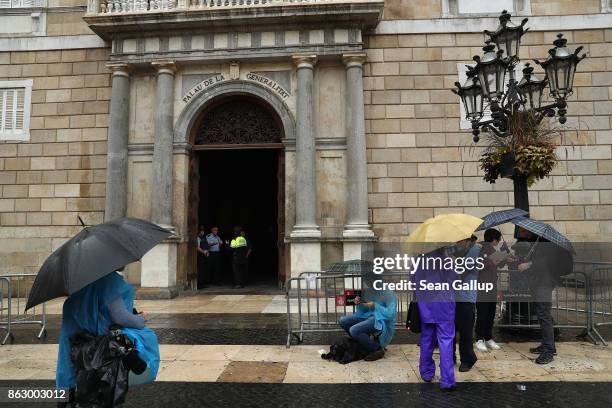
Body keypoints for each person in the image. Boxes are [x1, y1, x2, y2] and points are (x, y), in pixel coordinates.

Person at [57, 271, 160, 405]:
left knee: (81, 390)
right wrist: (140, 319)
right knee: (105, 394)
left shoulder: (78, 287)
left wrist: (63, 392)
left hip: (78, 356)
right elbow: (119, 316)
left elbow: (65, 352)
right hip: (104, 356)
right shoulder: (109, 280)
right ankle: (131, 357)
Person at [516, 230, 562, 364]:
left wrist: (528, 264)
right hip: (538, 283)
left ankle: (549, 350)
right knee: (542, 315)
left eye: (525, 232)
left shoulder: (545, 243)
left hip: (544, 283)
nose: (523, 235)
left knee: (544, 315)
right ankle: (547, 345)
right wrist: (523, 261)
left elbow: (545, 262)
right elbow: (536, 261)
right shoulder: (536, 244)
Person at [414, 247, 457, 390]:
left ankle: (426, 373)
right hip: (444, 307)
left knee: (426, 340)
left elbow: (412, 280)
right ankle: (447, 381)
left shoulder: (418, 260)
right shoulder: (446, 261)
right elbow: (455, 281)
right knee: (445, 342)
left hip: (425, 306)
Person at [338, 274, 397, 361]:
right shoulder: (368, 291)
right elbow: (362, 311)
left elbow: (391, 314)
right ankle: (364, 344)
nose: (368, 282)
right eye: (366, 280)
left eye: (370, 279)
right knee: (343, 320)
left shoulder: (389, 293)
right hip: (366, 317)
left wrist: (375, 305)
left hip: (380, 321)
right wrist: (360, 303)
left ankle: (377, 348)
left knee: (354, 330)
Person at [474, 228, 513, 352]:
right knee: (482, 313)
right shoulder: (480, 248)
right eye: (499, 239)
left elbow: (498, 264)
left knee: (491, 312)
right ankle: (479, 339)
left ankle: (488, 337)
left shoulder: (493, 250)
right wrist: (498, 257)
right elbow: (481, 264)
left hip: (491, 286)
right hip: (482, 286)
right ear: (494, 239)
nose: (499, 242)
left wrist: (504, 255)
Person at [453, 236, 480, 372]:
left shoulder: (475, 250)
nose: (457, 243)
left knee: (465, 331)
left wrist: (452, 262)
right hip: (452, 297)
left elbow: (462, 270)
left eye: (460, 240)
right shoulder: (456, 252)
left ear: (468, 240)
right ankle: (450, 357)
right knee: (449, 330)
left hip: (466, 297)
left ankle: (467, 359)